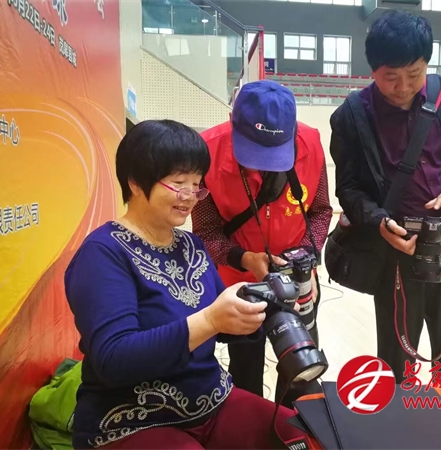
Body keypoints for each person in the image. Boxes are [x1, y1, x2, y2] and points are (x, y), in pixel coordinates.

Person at [64, 120, 309, 449]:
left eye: (196, 185)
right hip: (129, 418)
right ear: (135, 182)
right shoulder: (103, 253)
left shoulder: (190, 245)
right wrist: (210, 320)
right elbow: (114, 359)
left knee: (303, 435)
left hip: (211, 401)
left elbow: (222, 325)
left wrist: (258, 310)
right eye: (179, 183)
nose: (190, 197)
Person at [329, 10, 441, 382]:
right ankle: (398, 416)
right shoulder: (351, 116)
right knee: (395, 363)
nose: (403, 87)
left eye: (414, 74)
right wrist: (378, 222)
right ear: (373, 70)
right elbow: (349, 189)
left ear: (427, 64)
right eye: (391, 77)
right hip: (393, 249)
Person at [192, 80, 333, 407]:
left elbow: (321, 211)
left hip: (298, 283)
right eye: (255, 153)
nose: (264, 164)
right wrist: (245, 259)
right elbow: (206, 233)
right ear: (233, 122)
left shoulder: (311, 143)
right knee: (245, 374)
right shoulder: (207, 151)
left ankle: (292, 425)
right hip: (240, 284)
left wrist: (306, 258)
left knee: (300, 370)